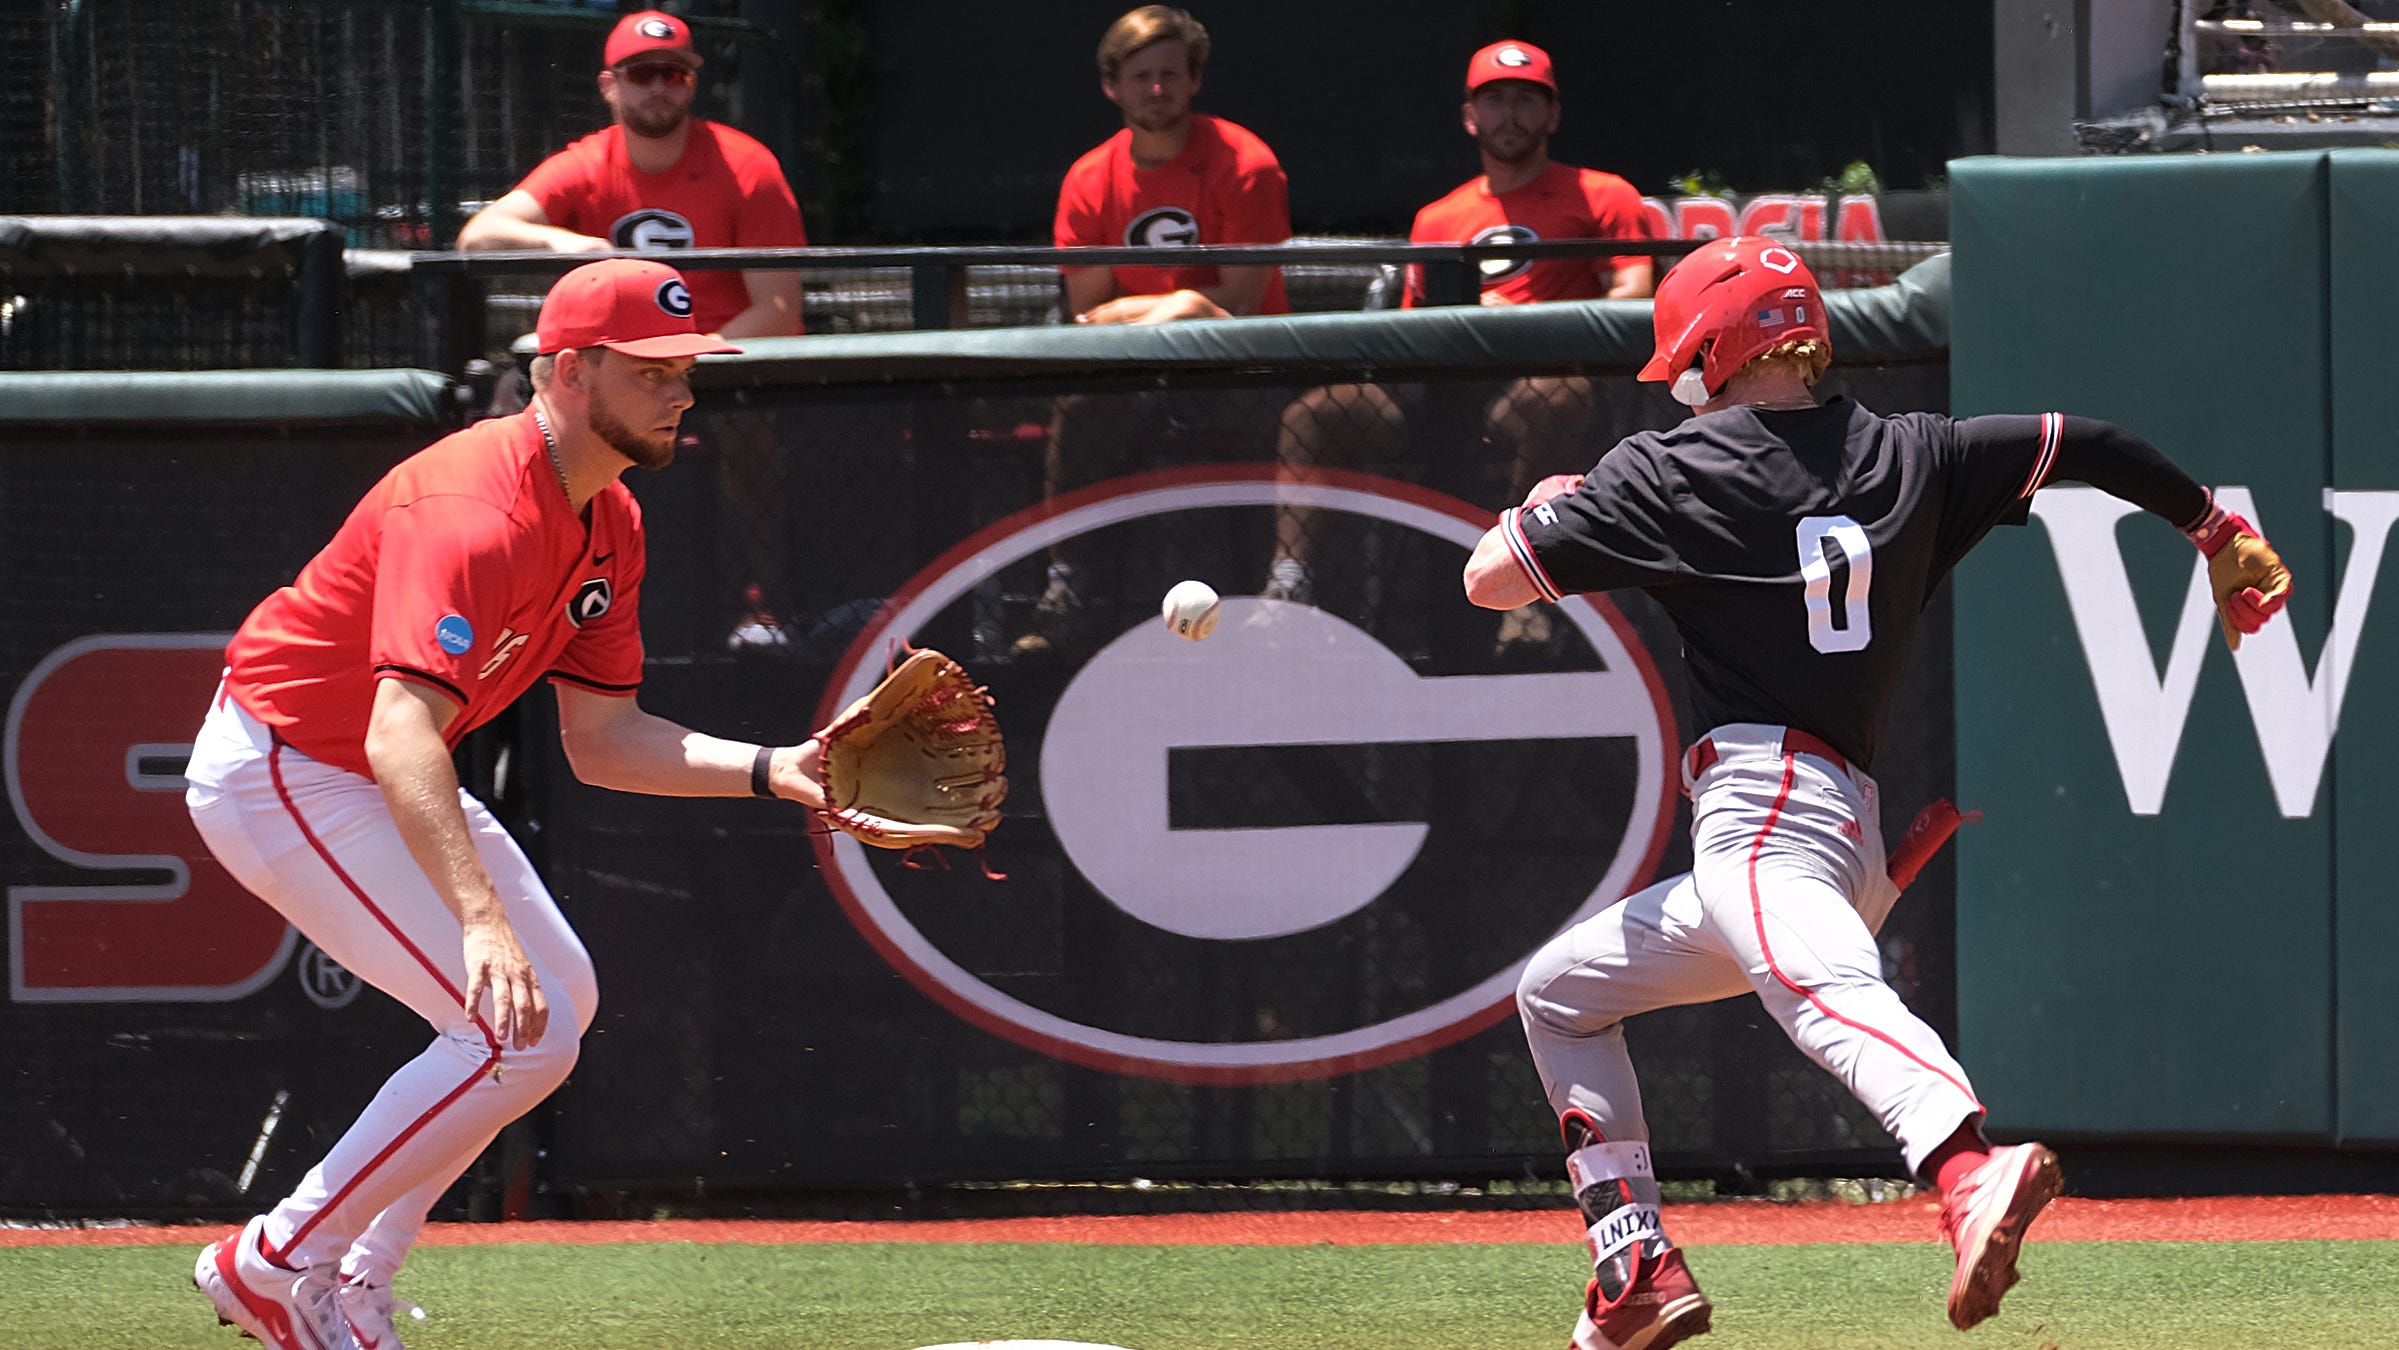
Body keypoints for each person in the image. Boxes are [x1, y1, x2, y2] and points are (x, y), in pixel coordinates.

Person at [1462, 236, 2292, 1350]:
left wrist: (1548, 497)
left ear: (1709, 345)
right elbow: (2083, 443)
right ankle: (1634, 1266)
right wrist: (2212, 527)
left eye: (1688, 362)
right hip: (1830, 831)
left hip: (1761, 812)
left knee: (1818, 995)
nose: (1686, 383)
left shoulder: (1668, 467)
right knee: (1558, 992)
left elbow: (1486, 579)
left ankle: (1960, 1163)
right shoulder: (1917, 453)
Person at [184, 259, 829, 1350]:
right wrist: (481, 918)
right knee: (514, 1035)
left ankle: (345, 1279)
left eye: (688, 367)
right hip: (285, 766)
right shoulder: (470, 508)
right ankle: (275, 1261)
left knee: (554, 1005)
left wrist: (774, 767)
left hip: (379, 765)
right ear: (572, 373)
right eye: (656, 369)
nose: (683, 390)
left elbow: (606, 740)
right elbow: (396, 735)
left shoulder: (609, 519)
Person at [1265, 39, 1654, 609]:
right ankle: (1288, 586)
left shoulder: (1603, 194)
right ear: (1470, 118)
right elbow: (1411, 329)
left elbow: (1632, 299)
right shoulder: (1438, 216)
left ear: (1554, 114)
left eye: (1527, 99)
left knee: (1552, 398)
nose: (1511, 114)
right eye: (1495, 99)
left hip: (1545, 388)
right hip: (1442, 395)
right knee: (1317, 413)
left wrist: (1514, 326)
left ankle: (1532, 596)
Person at [1021, 4, 1293, 653]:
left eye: (1170, 74)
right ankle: (1067, 590)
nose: (1156, 90)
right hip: (1131, 373)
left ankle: (1274, 603)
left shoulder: (1247, 163)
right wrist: (1179, 307)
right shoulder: (1089, 178)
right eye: (1141, 75)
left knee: (1273, 423)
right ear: (1111, 85)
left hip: (1243, 369)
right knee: (1081, 413)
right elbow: (1087, 311)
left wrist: (1175, 308)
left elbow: (1241, 302)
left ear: (1193, 79)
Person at [456, 9, 805, 340]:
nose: (658, 88)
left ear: (692, 84)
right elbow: (477, 236)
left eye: (673, 74)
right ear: (608, 86)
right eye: (641, 74)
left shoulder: (748, 166)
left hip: (723, 366)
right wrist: (562, 241)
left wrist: (685, 361)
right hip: (616, 371)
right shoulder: (586, 164)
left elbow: (779, 313)